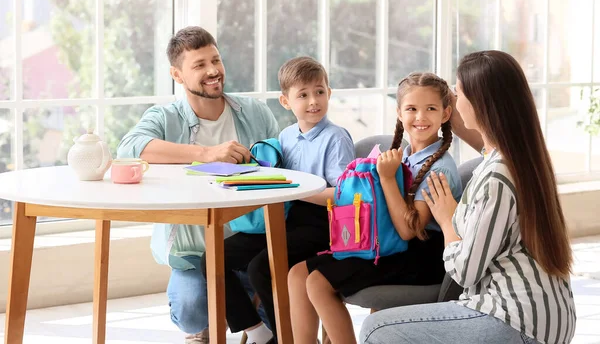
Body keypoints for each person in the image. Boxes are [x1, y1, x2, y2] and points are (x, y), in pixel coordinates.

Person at [360, 50, 577, 344]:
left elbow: (465, 272)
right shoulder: (522, 158)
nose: (452, 100)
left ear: (481, 103)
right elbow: (486, 141)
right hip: (545, 316)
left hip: (514, 320)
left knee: (374, 329)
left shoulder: (496, 178)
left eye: (457, 93)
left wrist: (448, 220)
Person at [117, 26, 280, 344]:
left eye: (215, 60)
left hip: (248, 247)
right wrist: (206, 154)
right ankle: (205, 324)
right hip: (194, 253)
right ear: (177, 75)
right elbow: (129, 148)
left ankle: (247, 316)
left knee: (273, 314)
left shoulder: (255, 113)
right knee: (192, 308)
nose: (213, 71)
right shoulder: (166, 118)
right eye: (199, 65)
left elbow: (281, 163)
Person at [287, 72, 463, 344]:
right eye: (412, 109)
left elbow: (409, 231)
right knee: (298, 274)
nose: (420, 117)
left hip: (423, 254)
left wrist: (387, 178)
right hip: (389, 241)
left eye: (431, 109)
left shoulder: (440, 169)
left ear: (445, 113)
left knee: (317, 282)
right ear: (399, 112)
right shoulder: (404, 155)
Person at [199, 56, 355, 344]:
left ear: (329, 93)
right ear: (286, 102)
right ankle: (261, 334)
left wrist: (298, 190)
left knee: (262, 267)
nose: (313, 101)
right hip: (285, 218)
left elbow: (345, 196)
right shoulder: (285, 136)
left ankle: (290, 338)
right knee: (212, 259)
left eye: (319, 91)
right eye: (303, 95)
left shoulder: (335, 138)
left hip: (321, 224)